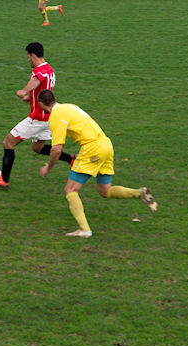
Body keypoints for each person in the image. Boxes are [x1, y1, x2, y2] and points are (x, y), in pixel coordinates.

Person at [36, 90, 157, 238]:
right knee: (105, 191)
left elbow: (56, 149)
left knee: (70, 190)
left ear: (41, 104)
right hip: (106, 145)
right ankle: (139, 193)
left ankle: (84, 230)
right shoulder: (69, 107)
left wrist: (48, 167)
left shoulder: (56, 116)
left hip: (92, 149)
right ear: (55, 99)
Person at [0, 42, 75, 189]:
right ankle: (70, 158)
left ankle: (4, 180)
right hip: (49, 117)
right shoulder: (49, 69)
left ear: (32, 55)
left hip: (38, 118)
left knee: (8, 143)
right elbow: (45, 89)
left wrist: (24, 91)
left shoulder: (39, 71)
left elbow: (36, 81)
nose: (28, 60)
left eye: (28, 57)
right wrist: (31, 98)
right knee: (38, 148)